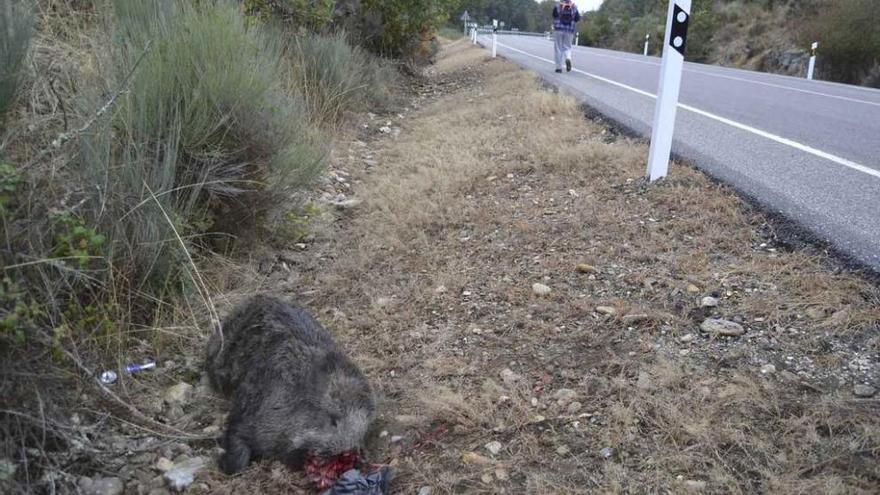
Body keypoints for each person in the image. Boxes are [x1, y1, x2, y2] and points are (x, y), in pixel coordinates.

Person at [552, 1, 581, 73]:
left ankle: (558, 68)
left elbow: (554, 15)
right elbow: (577, 18)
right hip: (569, 31)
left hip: (558, 29)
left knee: (558, 48)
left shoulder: (558, 5)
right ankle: (568, 58)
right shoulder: (574, 7)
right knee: (567, 47)